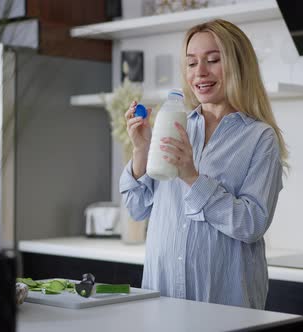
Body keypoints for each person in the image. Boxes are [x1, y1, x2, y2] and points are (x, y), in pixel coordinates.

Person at [119, 19, 289, 309]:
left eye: (212, 60)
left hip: (225, 303)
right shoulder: (175, 125)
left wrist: (192, 177)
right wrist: (141, 150)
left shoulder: (260, 138)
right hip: (163, 299)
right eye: (191, 63)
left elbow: (252, 224)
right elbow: (137, 208)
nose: (200, 72)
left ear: (238, 65)